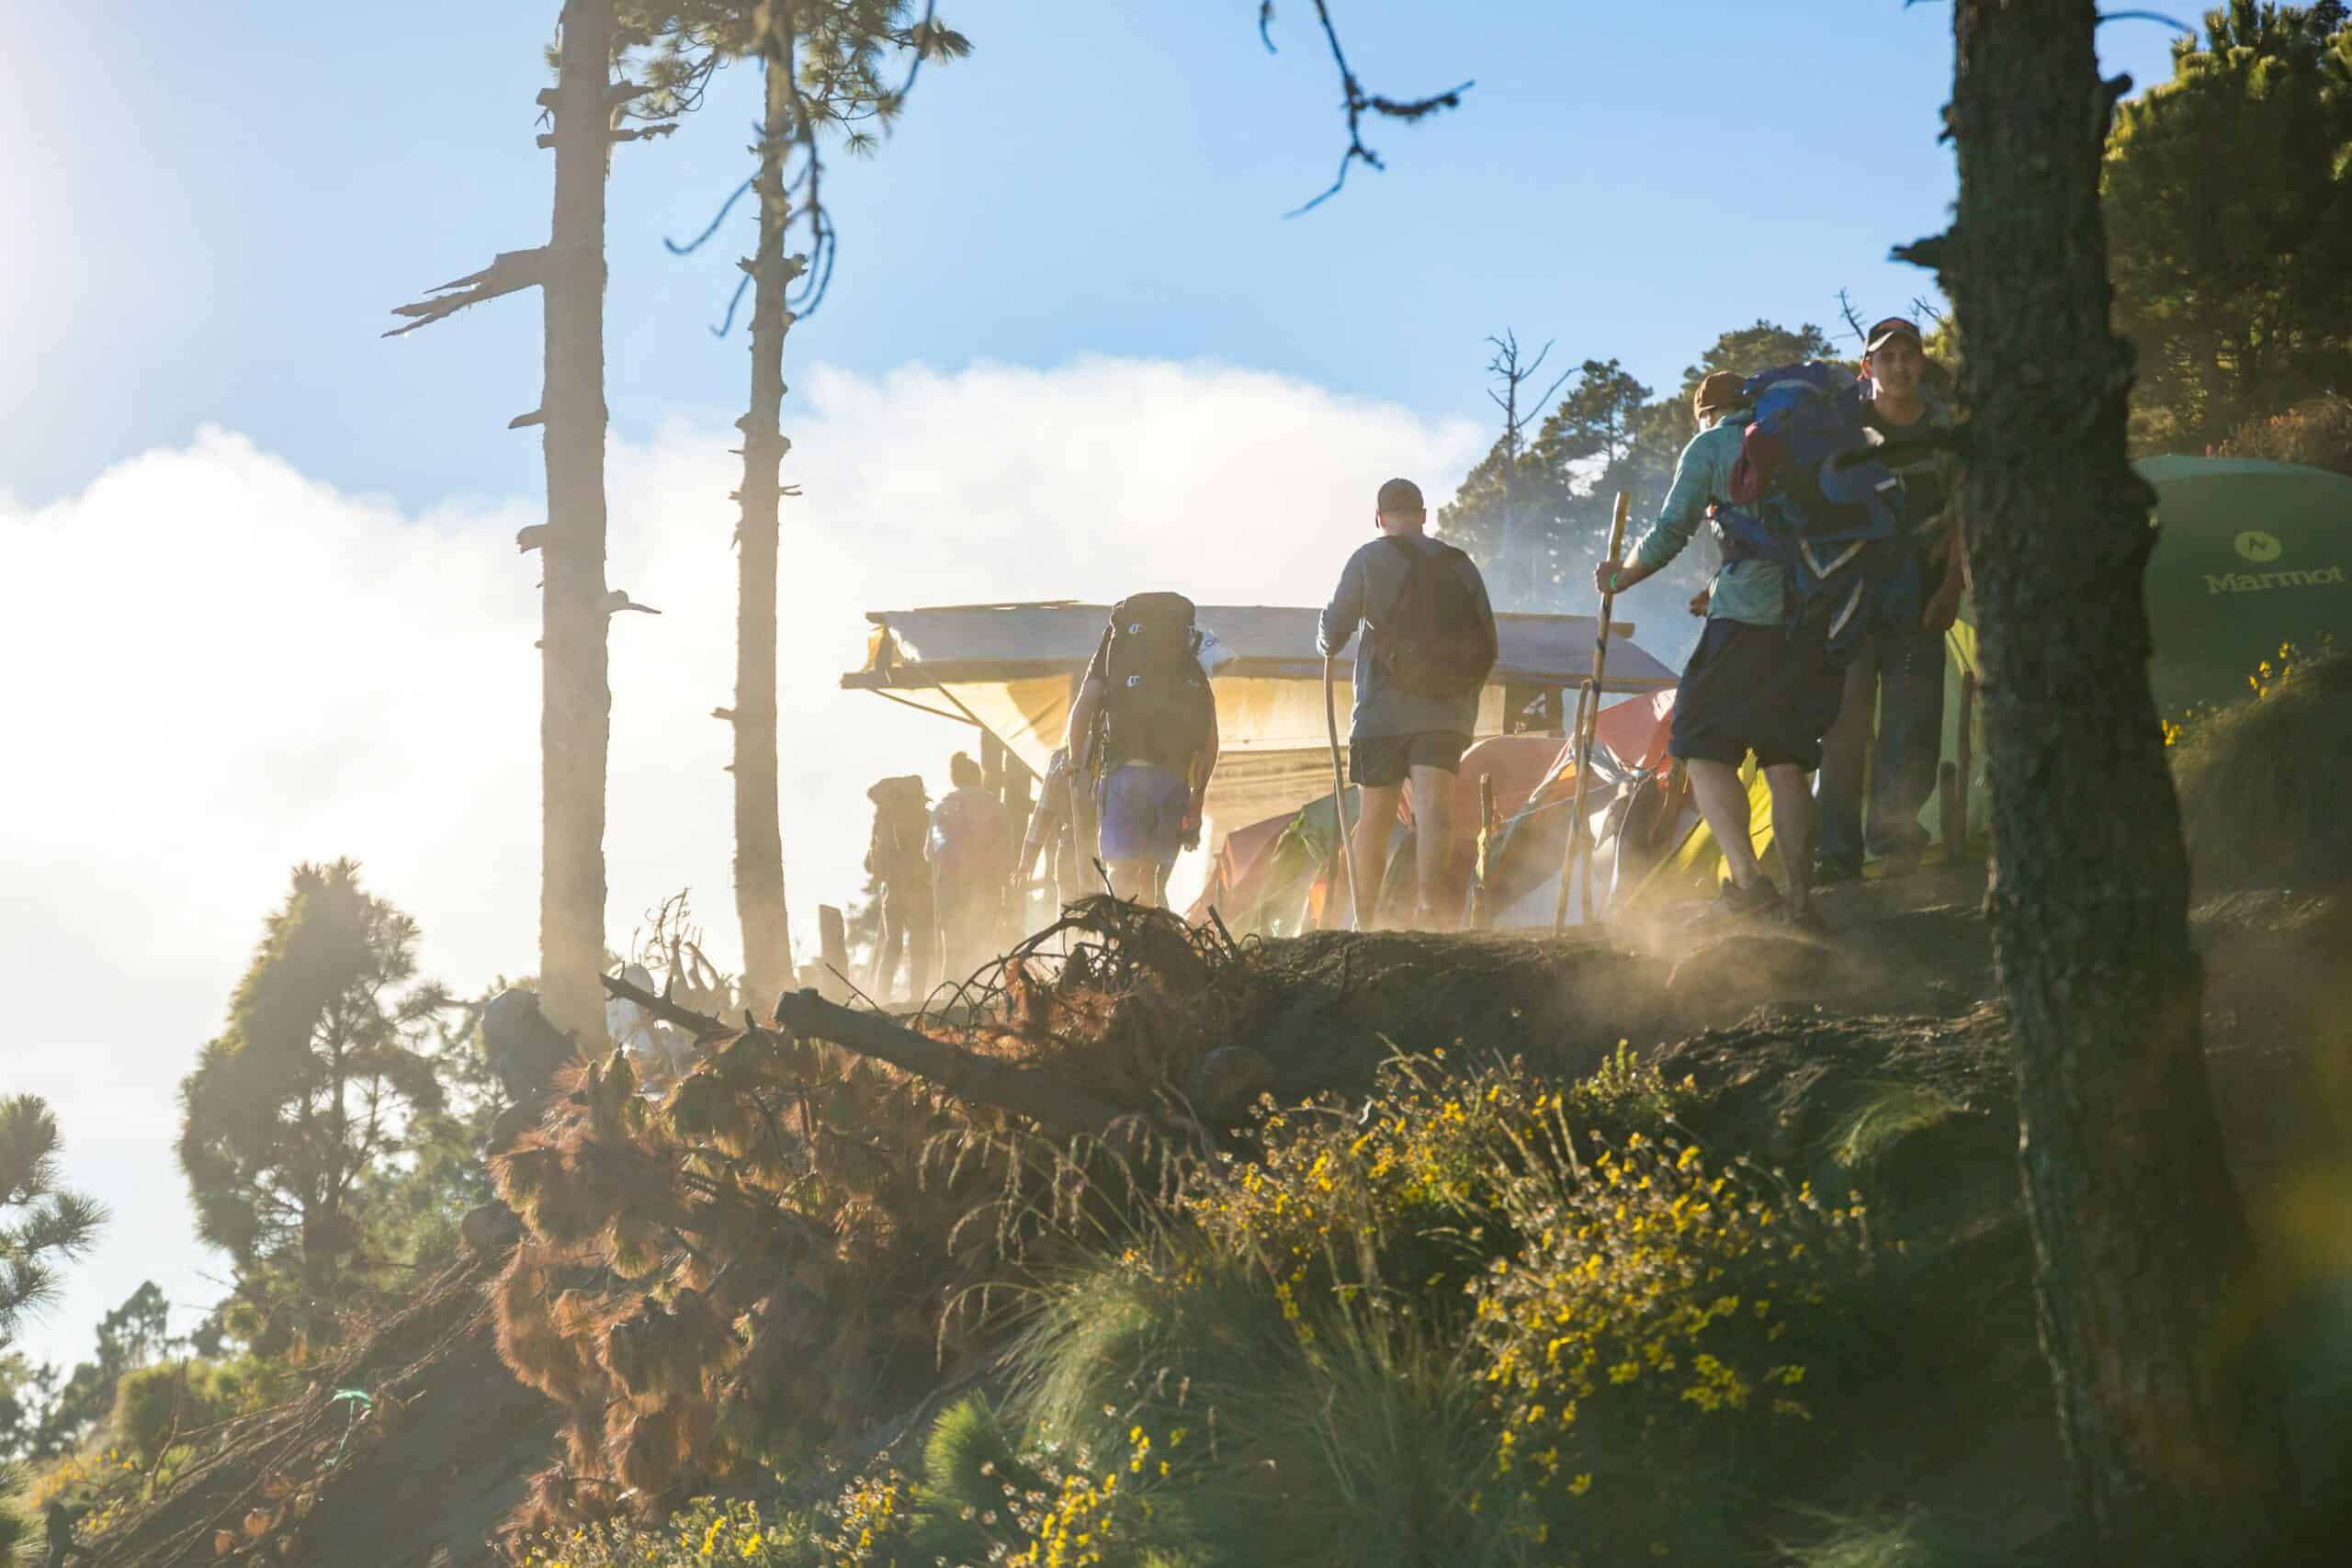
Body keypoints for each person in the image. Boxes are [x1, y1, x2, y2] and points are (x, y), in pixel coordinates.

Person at [1595, 371, 1845, 930]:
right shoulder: (1799, 444)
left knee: (1698, 742)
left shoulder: (1711, 445)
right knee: (1787, 761)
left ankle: (1750, 884)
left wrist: (1621, 578)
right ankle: (1801, 905)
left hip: (1746, 621)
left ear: (1704, 412)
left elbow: (1670, 531)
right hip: (1809, 620)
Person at [1815, 317, 1963, 883]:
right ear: (1867, 367)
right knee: (1842, 731)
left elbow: (1962, 521)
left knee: (1911, 727)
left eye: (1909, 356)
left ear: (1921, 365)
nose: (1899, 367)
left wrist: (1951, 589)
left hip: (1919, 607)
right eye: (1887, 357)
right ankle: (1835, 853)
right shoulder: (1842, 433)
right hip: (1849, 607)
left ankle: (1897, 843)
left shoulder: (1945, 434)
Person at [1317, 477, 1499, 929]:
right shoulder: (1460, 565)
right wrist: (1458, 698)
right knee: (1434, 811)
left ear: (1379, 518)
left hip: (1381, 711)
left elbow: (1333, 631)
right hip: (1446, 713)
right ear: (1423, 515)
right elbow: (1488, 645)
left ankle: (1365, 920)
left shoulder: (1367, 559)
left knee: (1375, 819)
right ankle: (1428, 911)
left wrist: (1325, 639)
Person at [1063, 596, 1224, 907]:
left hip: (1125, 775)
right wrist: (1198, 795)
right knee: (1152, 878)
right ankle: (1154, 944)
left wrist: (1073, 760)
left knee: (1122, 875)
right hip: (1174, 782)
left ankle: (1121, 946)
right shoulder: (1193, 652)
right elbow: (1210, 734)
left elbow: (1084, 706)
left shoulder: (1115, 648)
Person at [930, 751, 1013, 975]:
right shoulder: (998, 808)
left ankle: (950, 999)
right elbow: (1007, 852)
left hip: (952, 887)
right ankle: (980, 997)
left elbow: (931, 852)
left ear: (954, 779)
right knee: (983, 945)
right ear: (979, 778)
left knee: (953, 950)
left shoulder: (941, 810)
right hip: (988, 885)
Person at [865, 773, 936, 1002]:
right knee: (919, 945)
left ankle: (881, 997)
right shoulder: (926, 819)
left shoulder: (883, 820)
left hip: (892, 889)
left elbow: (870, 864)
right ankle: (916, 997)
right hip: (920, 889)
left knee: (891, 945)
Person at [44, 1498, 96, 1568]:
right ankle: (90, 1555)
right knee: (71, 1549)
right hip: (64, 1542)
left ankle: (90, 1555)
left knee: (56, 1559)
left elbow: (48, 1534)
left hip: (59, 1544)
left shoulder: (52, 1520)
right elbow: (70, 1523)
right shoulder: (62, 1516)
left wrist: (48, 1542)